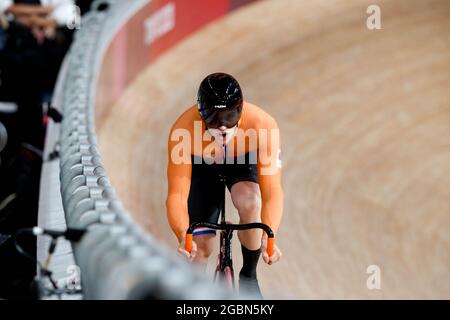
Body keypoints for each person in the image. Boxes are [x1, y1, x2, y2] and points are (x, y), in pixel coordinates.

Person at [166, 73, 284, 297]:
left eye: (230, 116)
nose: (222, 126)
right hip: (203, 166)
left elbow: (272, 192)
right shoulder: (183, 130)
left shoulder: (264, 125)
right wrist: (183, 235)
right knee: (200, 248)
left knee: (251, 202)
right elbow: (176, 195)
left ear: (240, 110)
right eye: (213, 117)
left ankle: (249, 274)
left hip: (242, 162)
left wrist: (270, 235)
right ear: (201, 114)